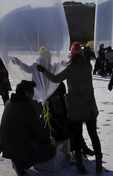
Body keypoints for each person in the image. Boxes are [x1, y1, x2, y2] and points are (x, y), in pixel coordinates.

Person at [38, 42, 103, 174]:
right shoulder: (88, 66)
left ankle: (80, 166)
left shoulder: (71, 68)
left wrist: (43, 70)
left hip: (75, 108)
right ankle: (99, 165)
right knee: (94, 136)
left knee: (77, 136)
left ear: (72, 55)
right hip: (90, 107)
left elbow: (55, 79)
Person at [0, 80, 56, 176]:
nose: (33, 95)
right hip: (15, 147)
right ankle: (21, 163)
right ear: (26, 93)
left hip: (6, 145)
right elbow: (38, 129)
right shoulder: (26, 107)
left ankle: (18, 160)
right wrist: (49, 140)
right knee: (50, 151)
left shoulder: (9, 102)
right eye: (32, 93)